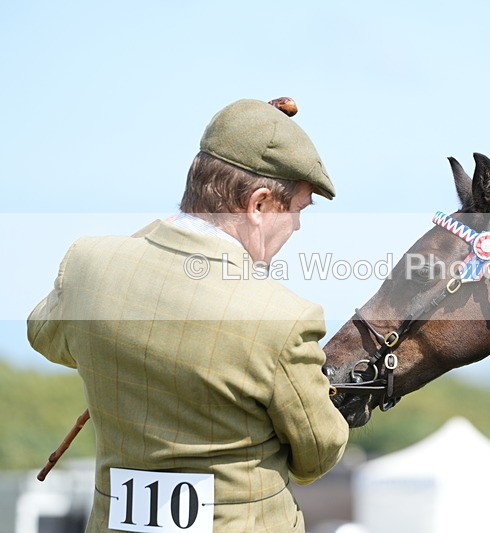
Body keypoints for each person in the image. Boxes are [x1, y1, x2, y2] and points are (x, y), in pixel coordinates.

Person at [27, 98, 349, 532]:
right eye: (297, 209)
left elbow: (43, 334)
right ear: (258, 205)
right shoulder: (282, 319)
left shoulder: (90, 267)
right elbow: (317, 455)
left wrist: (160, 236)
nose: (296, 227)